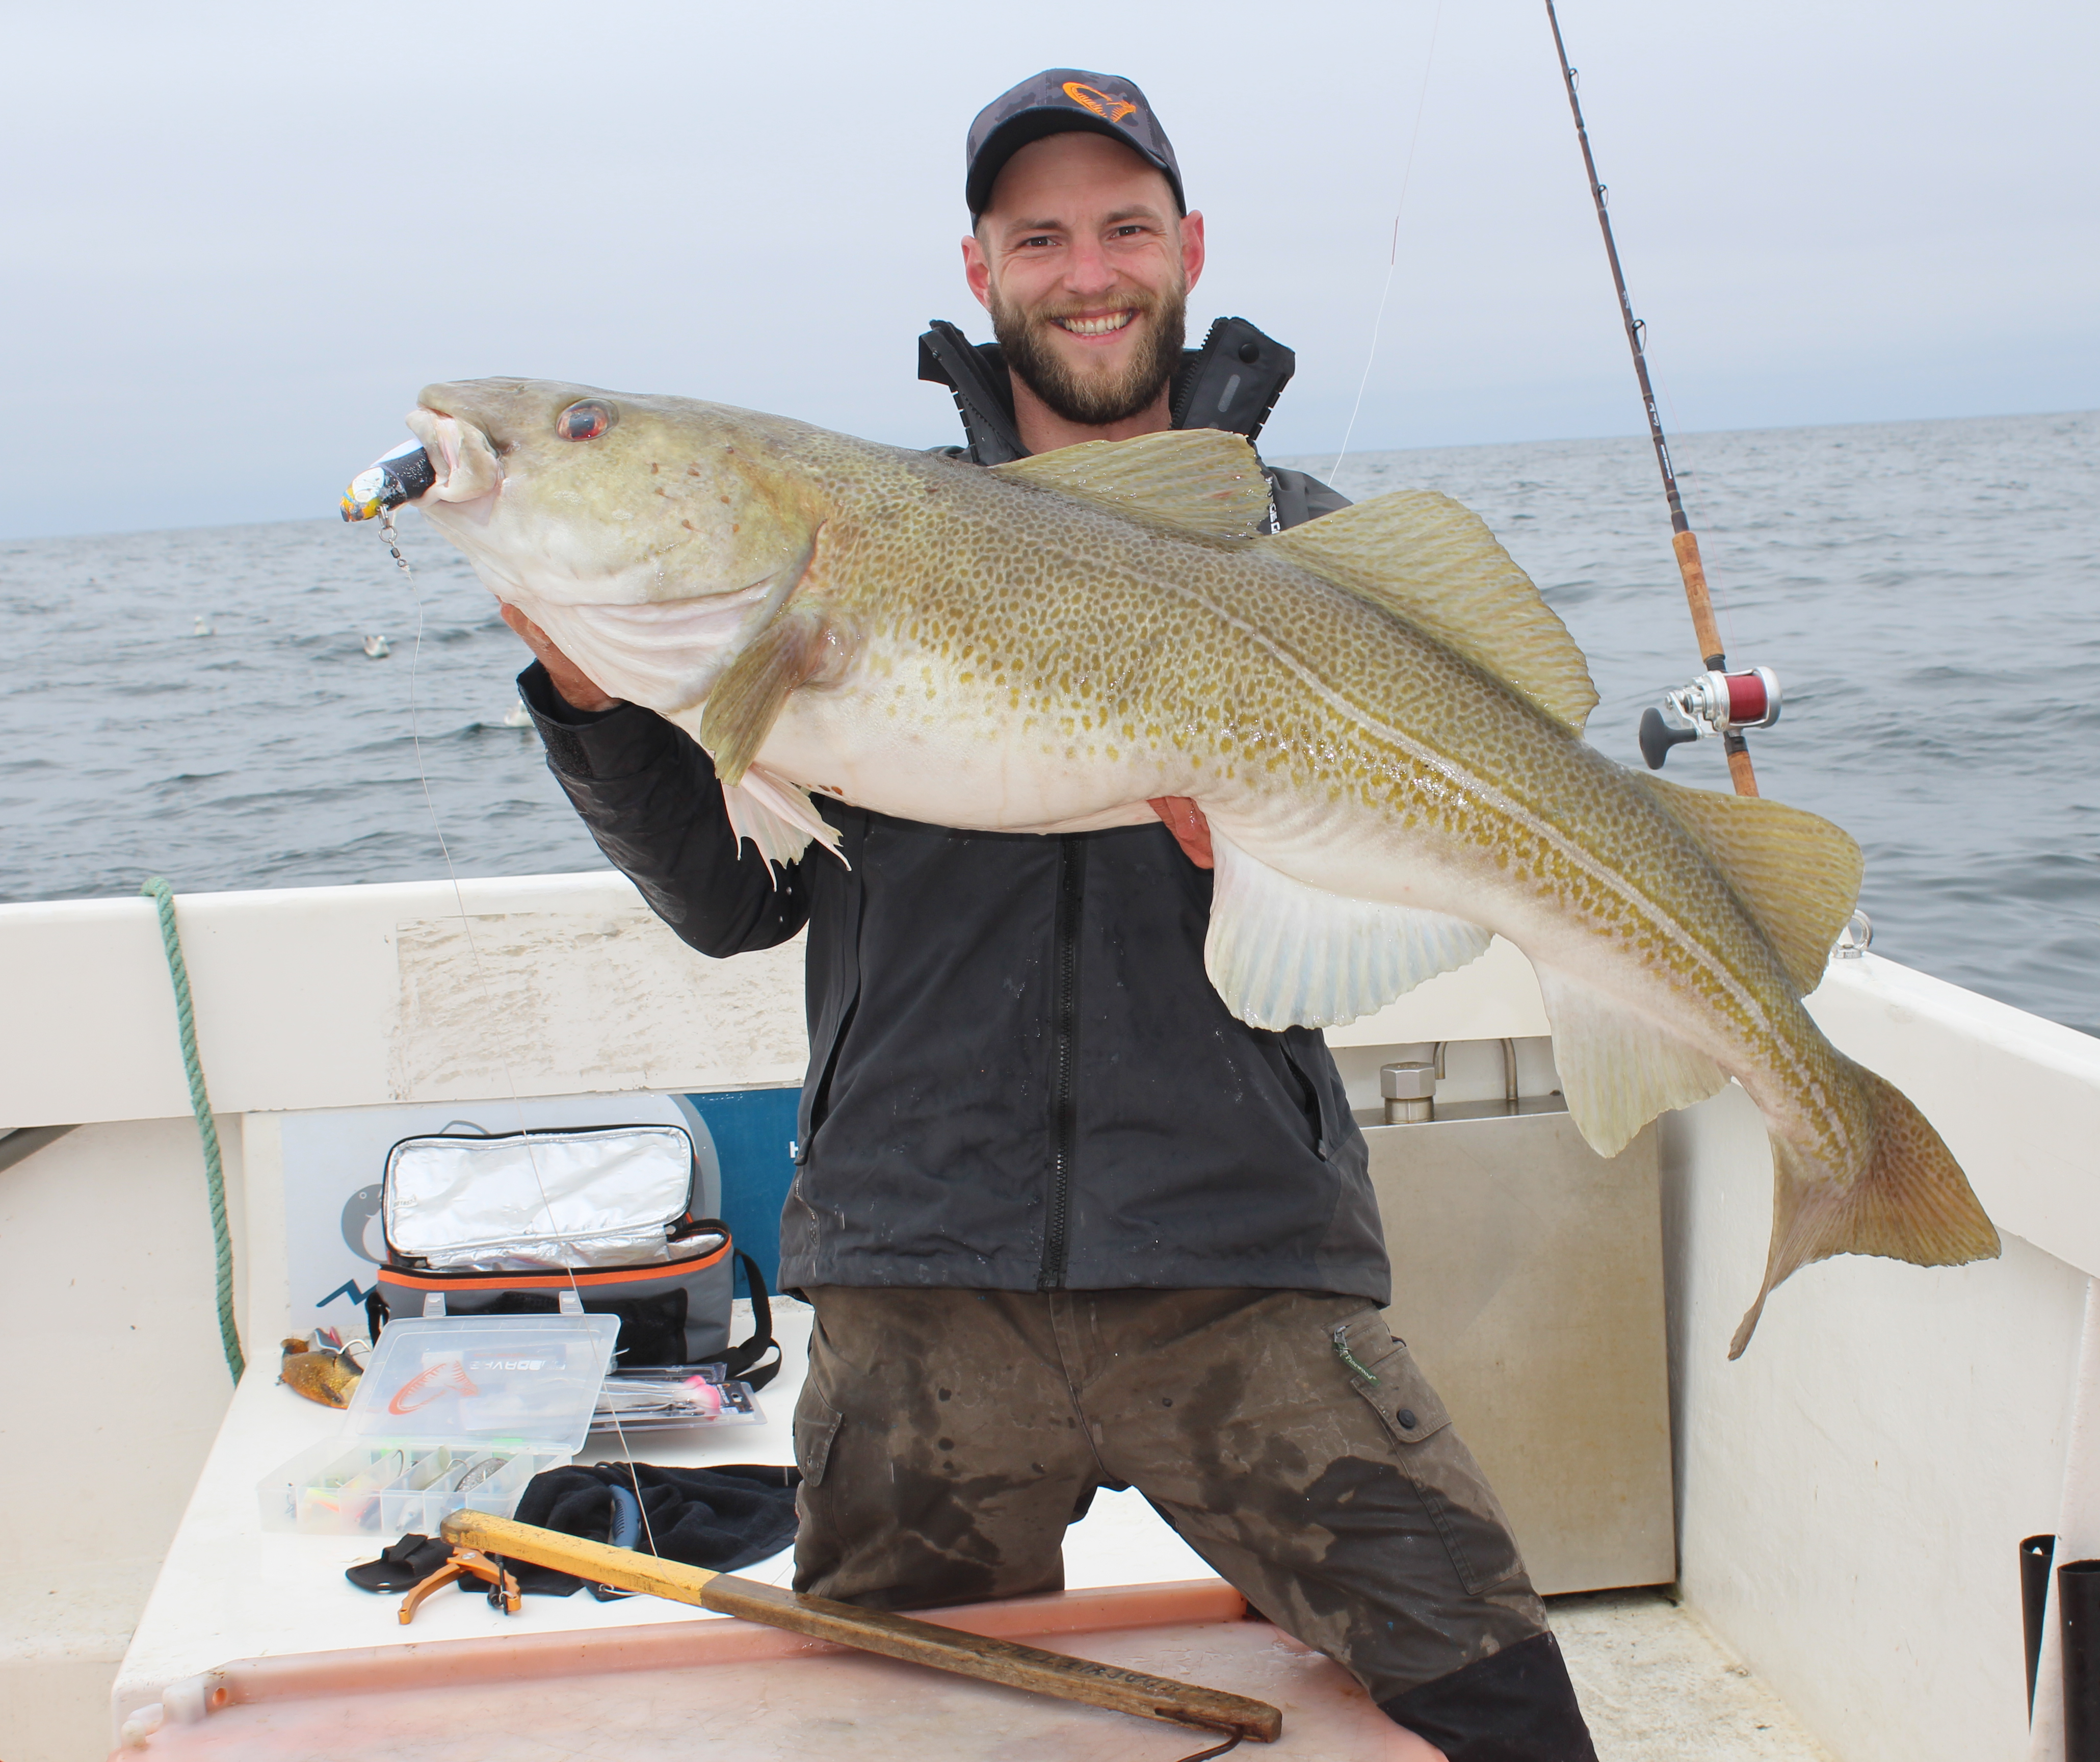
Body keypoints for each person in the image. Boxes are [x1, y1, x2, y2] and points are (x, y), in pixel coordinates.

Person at [501, 68, 1598, 1762]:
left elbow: (1424, 878)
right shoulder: (856, 543)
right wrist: (595, 701)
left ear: (1189, 247)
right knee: (894, 1736)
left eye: (1124, 229)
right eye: (1041, 238)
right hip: (918, 1269)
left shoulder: (1307, 551)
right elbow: (731, 906)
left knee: (1500, 1712)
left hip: (1242, 1262)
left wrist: (1285, 844)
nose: (1089, 272)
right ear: (981, 268)